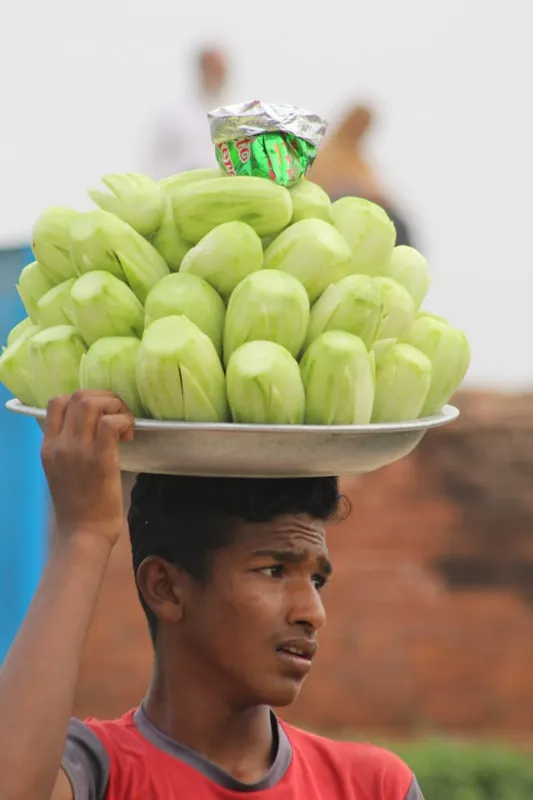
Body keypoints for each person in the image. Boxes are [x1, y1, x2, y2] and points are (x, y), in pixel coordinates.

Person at [0, 390, 425, 800]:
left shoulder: (374, 787)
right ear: (165, 588)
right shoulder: (95, 772)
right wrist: (84, 535)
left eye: (317, 581)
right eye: (274, 571)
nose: (313, 613)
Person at [310, 104, 414, 247]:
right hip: (332, 213)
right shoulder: (324, 155)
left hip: (360, 216)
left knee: (397, 224)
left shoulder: (360, 161)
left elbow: (376, 191)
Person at [144, 46, 229, 180]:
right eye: (212, 70)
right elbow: (154, 159)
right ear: (201, 70)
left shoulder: (233, 115)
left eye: (220, 72)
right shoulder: (174, 115)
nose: (216, 77)